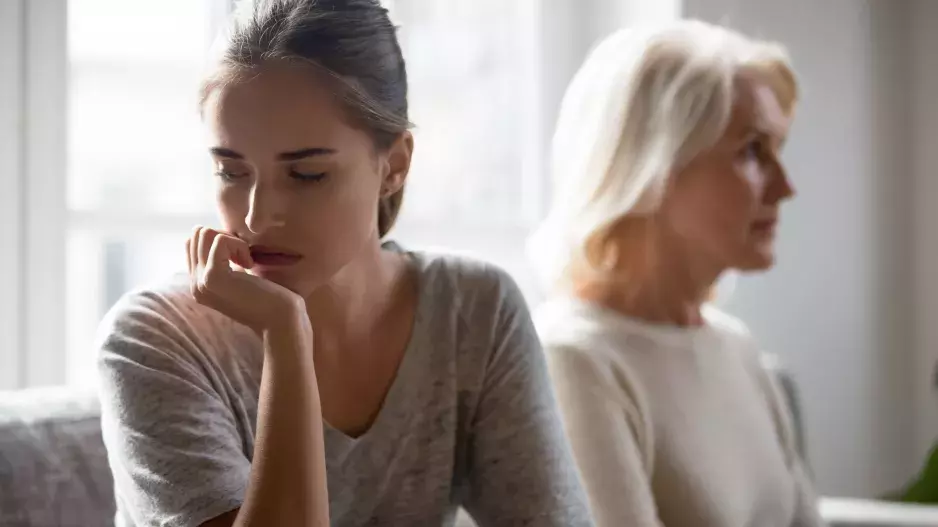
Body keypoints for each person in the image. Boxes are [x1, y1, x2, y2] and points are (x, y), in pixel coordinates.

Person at [95, 1, 593, 525]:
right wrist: (287, 335)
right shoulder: (151, 340)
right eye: (231, 171)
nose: (258, 217)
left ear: (395, 165)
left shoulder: (474, 311)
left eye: (307, 174)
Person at [528, 20, 826, 527]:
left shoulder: (738, 348)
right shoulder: (573, 361)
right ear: (652, 166)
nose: (785, 186)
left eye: (778, 148)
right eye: (753, 150)